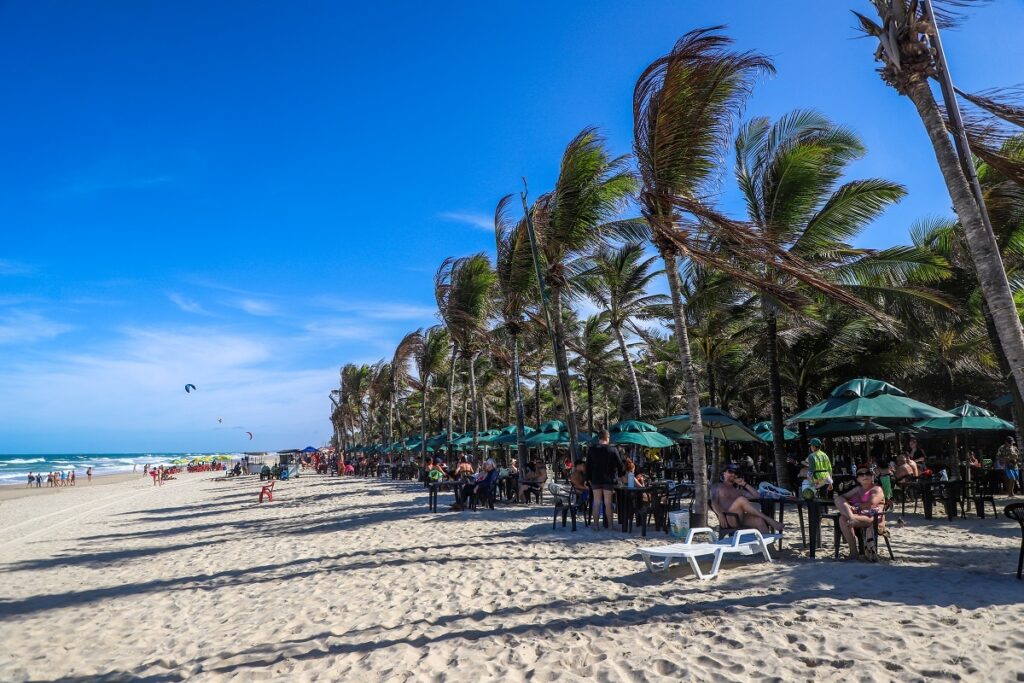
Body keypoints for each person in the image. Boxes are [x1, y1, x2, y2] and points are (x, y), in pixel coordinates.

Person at [710, 465, 783, 534]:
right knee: (741, 499)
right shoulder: (717, 486)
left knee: (759, 520)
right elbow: (713, 502)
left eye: (736, 473)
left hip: (741, 518)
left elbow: (757, 496)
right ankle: (769, 520)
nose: (733, 474)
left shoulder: (738, 491)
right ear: (724, 473)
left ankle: (769, 547)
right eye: (730, 472)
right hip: (728, 518)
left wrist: (744, 484)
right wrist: (720, 513)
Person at [833, 467, 885, 560]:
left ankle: (853, 552)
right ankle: (854, 552)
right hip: (857, 515)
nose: (865, 476)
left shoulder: (877, 489)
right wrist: (849, 508)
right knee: (839, 502)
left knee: (842, 519)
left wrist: (855, 507)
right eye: (861, 474)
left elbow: (871, 504)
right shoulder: (858, 489)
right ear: (857, 479)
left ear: (872, 476)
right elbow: (842, 497)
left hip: (873, 516)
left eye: (868, 473)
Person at [586, 430, 625, 530]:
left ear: (599, 438)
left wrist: (588, 478)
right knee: (608, 503)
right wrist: (621, 475)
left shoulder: (591, 449)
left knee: (597, 502)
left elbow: (588, 466)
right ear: (608, 438)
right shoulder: (613, 450)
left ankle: (595, 526)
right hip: (609, 479)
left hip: (595, 479)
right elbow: (620, 465)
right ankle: (611, 526)